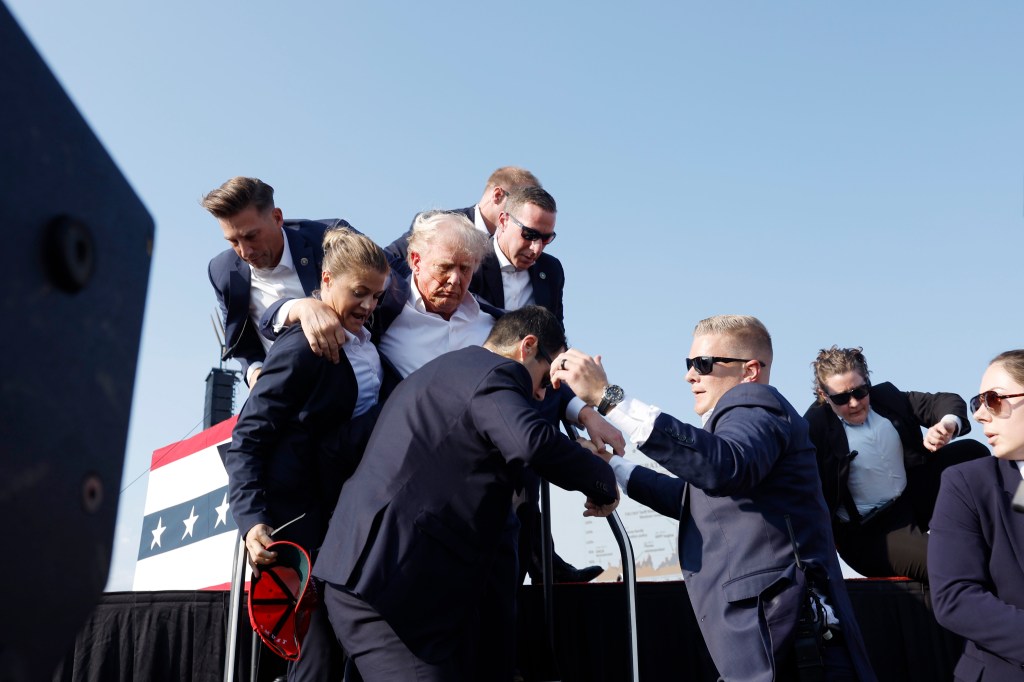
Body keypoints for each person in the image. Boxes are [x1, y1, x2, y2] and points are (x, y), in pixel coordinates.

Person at [552, 315, 877, 682]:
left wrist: (609, 399)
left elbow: (724, 467)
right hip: (776, 651)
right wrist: (615, 468)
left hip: (797, 651)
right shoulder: (741, 431)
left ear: (750, 371)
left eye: (704, 364)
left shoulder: (756, 403)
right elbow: (696, 499)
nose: (691, 375)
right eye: (689, 364)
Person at [312, 306, 619, 682]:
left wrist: (573, 452)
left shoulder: (451, 372)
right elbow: (531, 443)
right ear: (527, 347)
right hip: (389, 584)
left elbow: (499, 447)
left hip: (388, 580)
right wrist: (601, 480)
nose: (542, 395)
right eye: (547, 377)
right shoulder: (495, 375)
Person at [222, 227, 390, 681]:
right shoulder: (303, 347)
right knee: (315, 661)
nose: (370, 306)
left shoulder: (367, 342)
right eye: (360, 293)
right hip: (298, 528)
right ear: (327, 279)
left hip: (343, 521)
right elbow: (248, 437)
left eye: (377, 296)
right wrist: (252, 519)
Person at [804, 346, 987, 582]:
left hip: (910, 500)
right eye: (840, 398)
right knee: (953, 563)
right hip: (870, 533)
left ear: (868, 382)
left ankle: (999, 522)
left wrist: (947, 425)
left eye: (860, 392)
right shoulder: (813, 427)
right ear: (823, 395)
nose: (854, 403)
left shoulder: (887, 398)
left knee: (972, 453)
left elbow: (944, 402)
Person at [929, 350, 1024, 681]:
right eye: (978, 402)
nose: (982, 415)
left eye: (993, 399)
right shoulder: (966, 483)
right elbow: (955, 597)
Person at [204, 176, 351, 386]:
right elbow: (240, 342)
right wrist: (255, 372)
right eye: (233, 241)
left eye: (252, 236)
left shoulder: (330, 239)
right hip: (288, 397)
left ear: (277, 217)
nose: (245, 252)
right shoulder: (222, 271)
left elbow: (386, 281)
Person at [386, 166, 541, 262]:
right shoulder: (437, 224)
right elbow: (388, 261)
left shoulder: (522, 254)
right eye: (520, 203)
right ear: (498, 195)